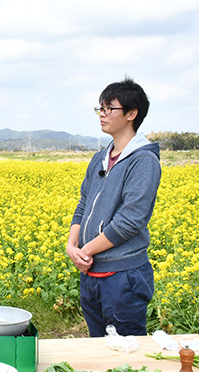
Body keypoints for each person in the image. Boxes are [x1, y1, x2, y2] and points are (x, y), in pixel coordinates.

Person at [66, 77, 161, 337]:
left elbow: (130, 221)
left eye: (110, 108)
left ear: (132, 113)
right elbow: (83, 203)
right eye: (100, 108)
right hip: (91, 272)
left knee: (125, 356)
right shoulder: (101, 157)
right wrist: (72, 246)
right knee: (99, 349)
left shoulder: (143, 161)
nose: (102, 114)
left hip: (123, 276)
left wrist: (85, 251)